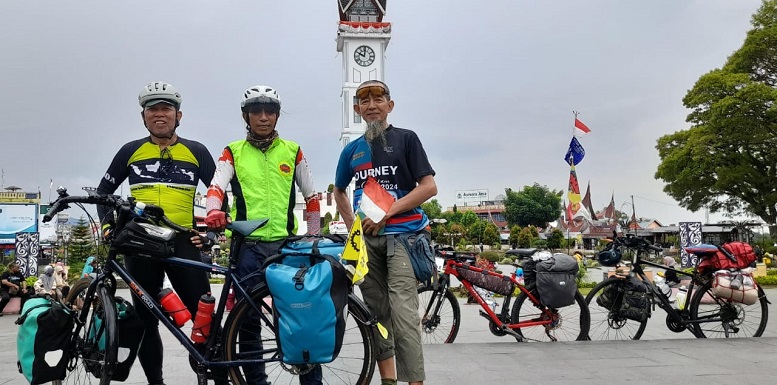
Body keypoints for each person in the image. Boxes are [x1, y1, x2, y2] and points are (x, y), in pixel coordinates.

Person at [96, 81, 220, 385]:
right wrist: (110, 225)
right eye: (153, 109)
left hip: (182, 241)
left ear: (179, 116)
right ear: (143, 116)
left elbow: (221, 195)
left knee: (202, 315)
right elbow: (103, 192)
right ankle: (157, 383)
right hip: (141, 243)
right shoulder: (130, 151)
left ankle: (212, 374)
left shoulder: (196, 151)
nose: (159, 114)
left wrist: (212, 236)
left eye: (166, 109)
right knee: (146, 320)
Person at [205, 84, 321, 385]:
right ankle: (256, 382)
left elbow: (312, 197)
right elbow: (216, 187)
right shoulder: (233, 151)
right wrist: (214, 210)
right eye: (256, 110)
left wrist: (313, 238)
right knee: (248, 321)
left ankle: (312, 381)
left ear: (278, 116)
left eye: (270, 111)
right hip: (248, 247)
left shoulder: (292, 151)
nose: (264, 117)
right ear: (246, 115)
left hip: (286, 247)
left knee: (301, 317)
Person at [334, 80, 437, 385]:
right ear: (357, 110)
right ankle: (388, 381)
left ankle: (415, 382)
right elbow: (339, 190)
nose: (372, 105)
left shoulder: (406, 140)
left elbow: (429, 187)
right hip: (367, 244)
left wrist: (386, 213)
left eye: (379, 99)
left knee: (404, 315)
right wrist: (355, 225)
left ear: (390, 106)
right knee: (376, 314)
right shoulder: (352, 151)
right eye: (364, 101)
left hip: (403, 237)